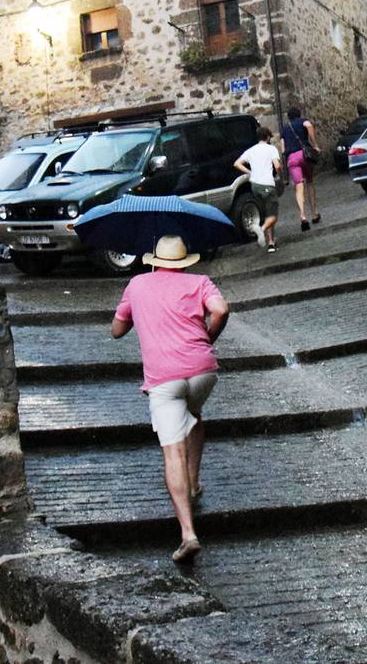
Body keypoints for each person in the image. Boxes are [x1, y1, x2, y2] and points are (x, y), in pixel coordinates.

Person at [110, 235, 230, 562]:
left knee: (172, 450)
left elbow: (116, 331)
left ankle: (188, 533)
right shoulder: (200, 281)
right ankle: (194, 483)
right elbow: (220, 310)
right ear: (183, 261)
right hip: (204, 372)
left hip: (165, 379)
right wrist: (208, 336)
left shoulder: (137, 284)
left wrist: (138, 313)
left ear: (154, 260)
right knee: (194, 413)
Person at [234, 126, 283, 253]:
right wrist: (279, 174)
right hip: (267, 184)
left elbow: (237, 163)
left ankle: (271, 243)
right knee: (273, 216)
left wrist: (250, 172)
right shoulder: (271, 149)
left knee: (267, 213)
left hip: (254, 186)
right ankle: (261, 229)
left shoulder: (250, 150)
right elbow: (277, 165)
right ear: (267, 137)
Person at [279, 106, 321, 231]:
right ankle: (314, 214)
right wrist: (315, 145)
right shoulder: (303, 121)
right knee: (310, 181)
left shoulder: (284, 128)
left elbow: (283, 148)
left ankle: (302, 216)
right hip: (304, 156)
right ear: (299, 114)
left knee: (298, 186)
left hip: (292, 158)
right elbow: (309, 125)